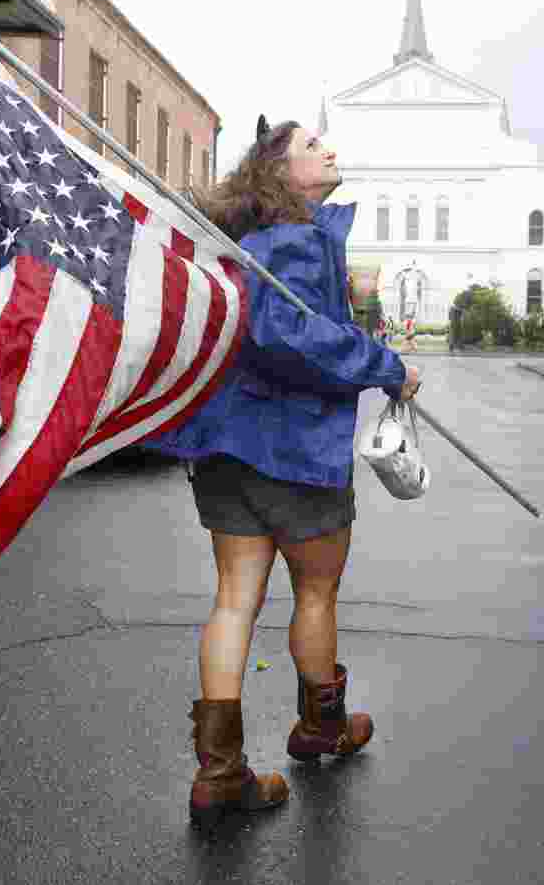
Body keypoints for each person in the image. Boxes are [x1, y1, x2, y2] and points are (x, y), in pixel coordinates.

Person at [142, 116, 420, 827]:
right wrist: (385, 365)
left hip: (227, 448)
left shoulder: (249, 242)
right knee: (316, 595)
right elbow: (289, 336)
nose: (329, 150)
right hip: (293, 453)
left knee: (234, 600)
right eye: (311, 147)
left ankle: (219, 772)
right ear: (278, 171)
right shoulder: (292, 240)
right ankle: (323, 727)